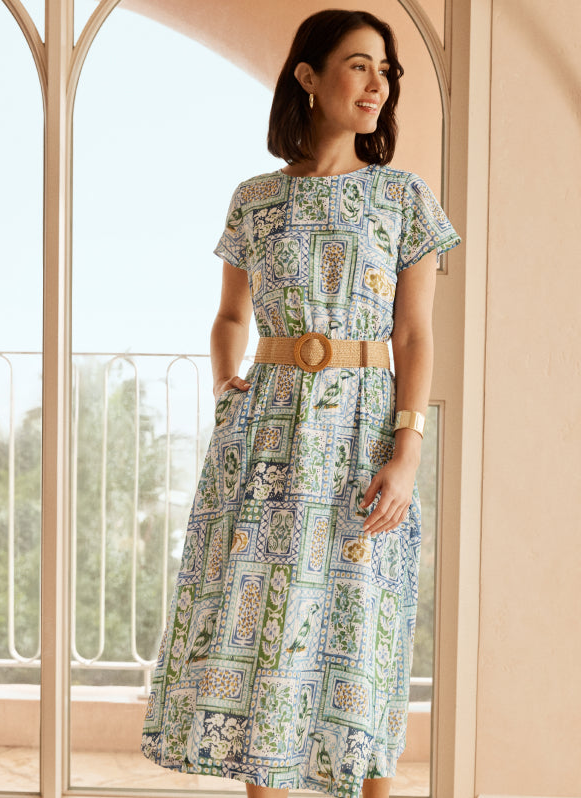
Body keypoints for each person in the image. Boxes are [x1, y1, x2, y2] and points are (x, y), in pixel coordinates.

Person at [141, 9, 461, 798]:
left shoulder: (404, 196)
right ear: (308, 78)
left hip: (360, 434)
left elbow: (414, 335)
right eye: (359, 65)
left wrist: (407, 448)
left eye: (387, 70)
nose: (379, 83)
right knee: (265, 632)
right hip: (267, 439)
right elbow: (228, 317)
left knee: (363, 625)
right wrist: (226, 387)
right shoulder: (254, 199)